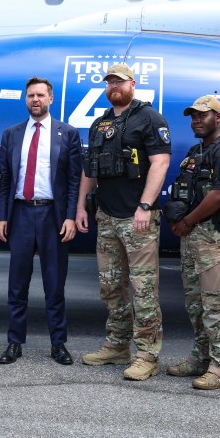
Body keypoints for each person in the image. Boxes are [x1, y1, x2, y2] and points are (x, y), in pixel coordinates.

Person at [76, 64, 171, 381]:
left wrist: (145, 205)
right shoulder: (100, 123)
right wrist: (80, 208)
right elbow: (90, 170)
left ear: (133, 84)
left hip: (138, 218)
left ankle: (147, 354)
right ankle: (117, 344)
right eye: (110, 82)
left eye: (120, 81)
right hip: (107, 217)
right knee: (111, 287)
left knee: (144, 289)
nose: (114, 86)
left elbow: (160, 163)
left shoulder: (150, 118)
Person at [0, 77, 82, 365]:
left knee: (54, 285)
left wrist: (70, 216)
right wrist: (2, 216)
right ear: (25, 99)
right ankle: (14, 343)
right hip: (20, 214)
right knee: (17, 285)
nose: (35, 100)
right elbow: (6, 179)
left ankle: (58, 344)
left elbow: (73, 181)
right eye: (31, 95)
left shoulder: (66, 133)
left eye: (40, 95)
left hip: (52, 216)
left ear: (51, 99)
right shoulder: (12, 134)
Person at [163, 95, 220, 390]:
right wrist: (176, 216)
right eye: (193, 116)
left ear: (217, 118)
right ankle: (200, 358)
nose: (196, 120)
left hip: (216, 236)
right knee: (196, 303)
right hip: (193, 237)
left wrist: (187, 221)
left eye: (203, 115)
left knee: (217, 304)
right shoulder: (195, 152)